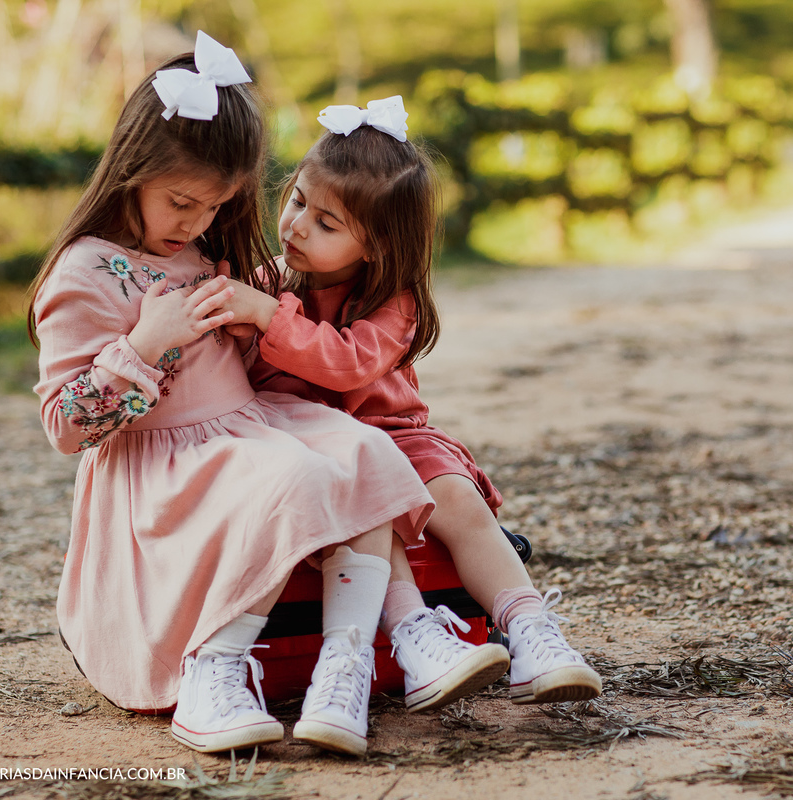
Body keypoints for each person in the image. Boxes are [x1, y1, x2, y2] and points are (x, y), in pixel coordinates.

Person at [29, 35, 433, 758]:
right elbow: (65, 425)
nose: (197, 224)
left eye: (217, 206)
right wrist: (143, 346)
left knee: (363, 450)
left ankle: (342, 671)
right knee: (291, 473)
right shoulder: (85, 272)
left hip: (244, 431)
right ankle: (212, 670)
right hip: (163, 469)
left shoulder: (207, 248)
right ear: (132, 170)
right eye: (182, 203)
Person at [216, 96, 603, 709]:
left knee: (457, 497)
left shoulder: (393, 303)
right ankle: (415, 636)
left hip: (393, 435)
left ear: (375, 244)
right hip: (311, 448)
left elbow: (344, 363)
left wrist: (266, 318)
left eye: (326, 224)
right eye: (296, 202)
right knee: (375, 505)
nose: (295, 226)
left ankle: (530, 630)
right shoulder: (266, 282)